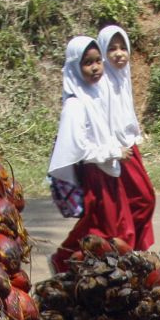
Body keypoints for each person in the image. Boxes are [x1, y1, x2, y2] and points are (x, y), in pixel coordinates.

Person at [48, 36, 128, 274]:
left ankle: (77, 262)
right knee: (101, 229)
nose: (95, 68)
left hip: (108, 169)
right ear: (74, 67)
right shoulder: (75, 105)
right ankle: (64, 259)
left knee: (109, 226)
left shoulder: (95, 94)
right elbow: (80, 149)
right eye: (87, 63)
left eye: (98, 61)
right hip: (96, 172)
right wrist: (114, 152)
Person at [95, 24, 156, 252]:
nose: (119, 53)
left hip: (129, 146)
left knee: (135, 202)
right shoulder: (102, 83)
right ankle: (131, 251)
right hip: (116, 152)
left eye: (123, 47)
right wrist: (113, 149)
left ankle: (132, 252)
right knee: (143, 200)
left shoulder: (122, 75)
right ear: (102, 52)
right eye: (112, 49)